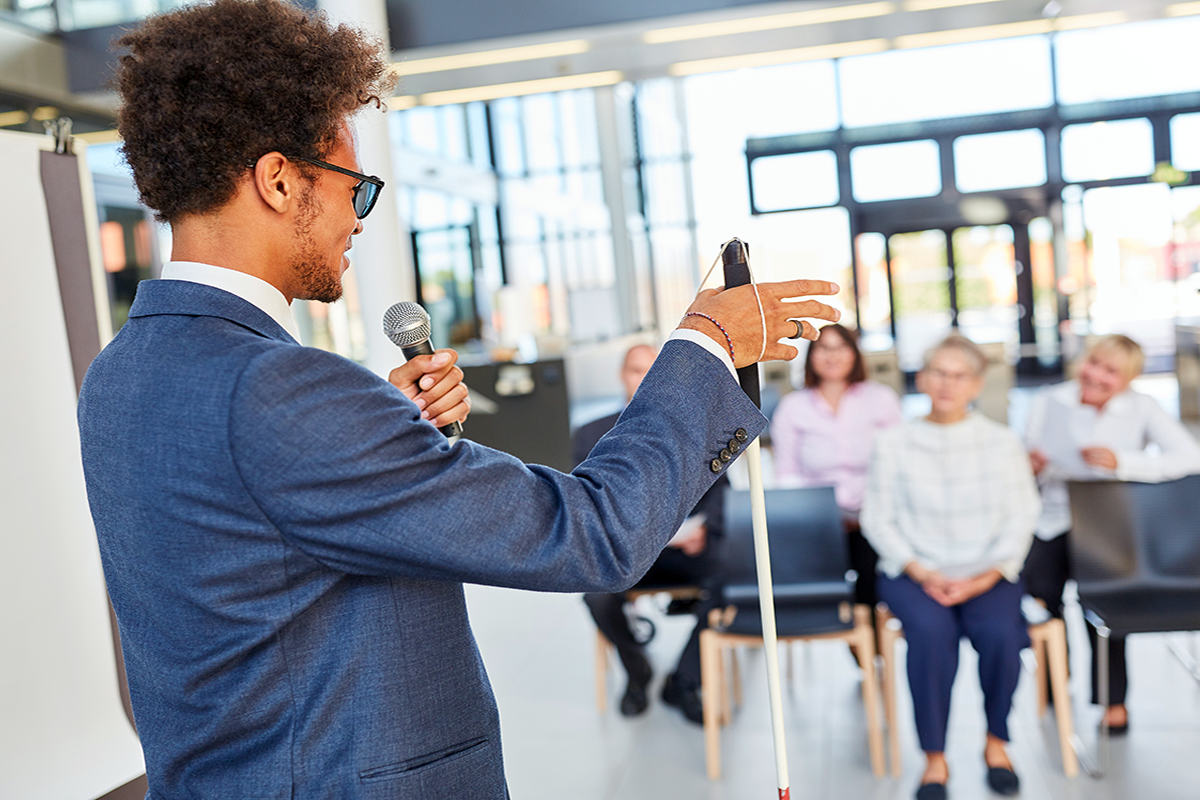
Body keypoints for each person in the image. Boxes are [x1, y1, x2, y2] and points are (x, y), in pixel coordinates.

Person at [74, 2, 840, 797]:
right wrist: (706, 344)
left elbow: (254, 544)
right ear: (277, 179)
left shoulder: (122, 373)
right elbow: (594, 536)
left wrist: (382, 429)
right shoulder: (284, 393)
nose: (358, 221)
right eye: (356, 189)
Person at [861, 335, 1040, 800]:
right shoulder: (893, 442)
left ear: (977, 384)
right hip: (914, 572)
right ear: (922, 379)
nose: (947, 383)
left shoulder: (1002, 442)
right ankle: (935, 758)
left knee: (1002, 635)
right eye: (938, 372)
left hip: (989, 570)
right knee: (930, 636)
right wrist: (923, 572)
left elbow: (1023, 517)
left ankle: (996, 742)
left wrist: (986, 576)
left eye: (959, 375)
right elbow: (877, 518)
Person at [1023, 334, 1200, 732]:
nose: (1097, 376)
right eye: (1094, 364)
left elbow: (1190, 457)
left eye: (1111, 371)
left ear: (1129, 379)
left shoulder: (1142, 408)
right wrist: (1031, 466)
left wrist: (1124, 462)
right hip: (1052, 521)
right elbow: (1024, 464)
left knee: (1104, 607)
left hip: (1106, 528)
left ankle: (1112, 700)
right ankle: (1053, 683)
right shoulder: (1048, 402)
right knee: (1041, 603)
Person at [580, 344, 729, 724]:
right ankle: (637, 670)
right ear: (621, 376)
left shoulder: (697, 430)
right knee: (597, 596)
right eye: (635, 370)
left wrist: (706, 529)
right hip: (626, 556)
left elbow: (721, 494)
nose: (644, 379)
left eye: (653, 371)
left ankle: (684, 679)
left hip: (686, 552)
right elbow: (584, 504)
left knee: (734, 580)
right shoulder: (590, 434)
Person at [770, 323, 901, 613]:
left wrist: (871, 510)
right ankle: (849, 626)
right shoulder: (793, 407)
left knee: (873, 558)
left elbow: (899, 464)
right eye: (823, 348)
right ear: (810, 356)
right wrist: (825, 513)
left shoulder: (880, 399)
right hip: (821, 519)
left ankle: (867, 636)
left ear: (854, 353)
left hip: (874, 512)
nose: (832, 356)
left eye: (840, 347)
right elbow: (787, 474)